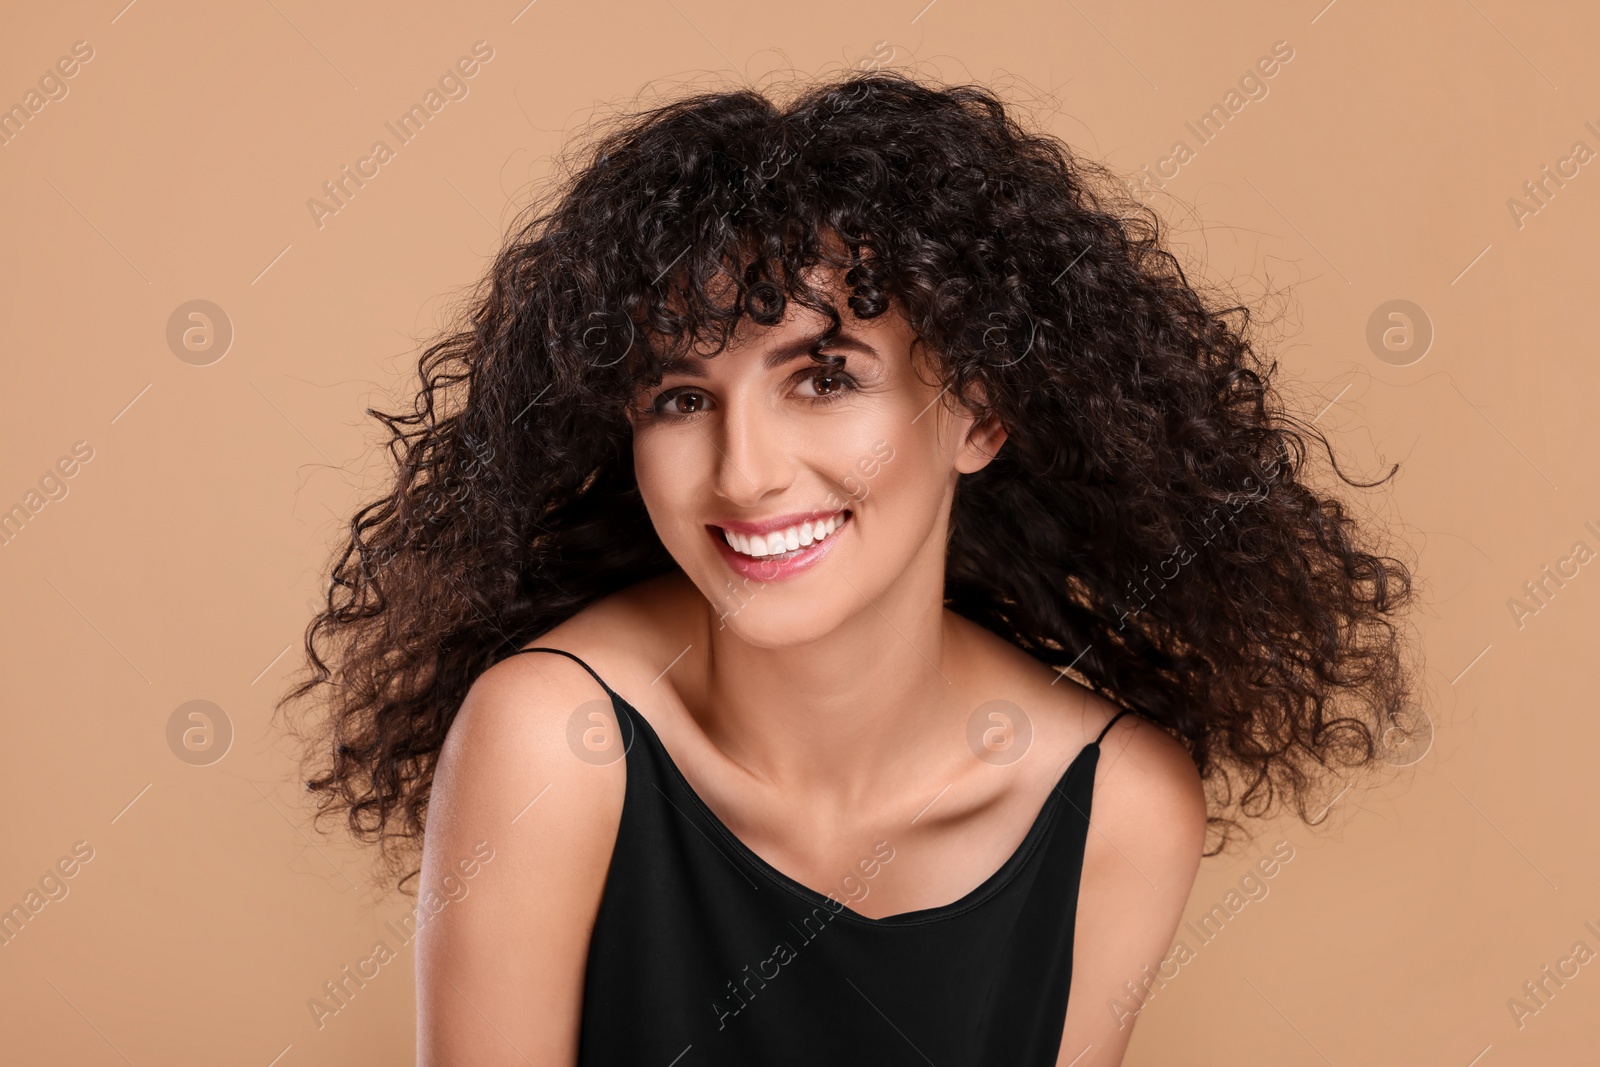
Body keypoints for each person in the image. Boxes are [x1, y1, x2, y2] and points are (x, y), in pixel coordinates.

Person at [279, 69, 1417, 1066]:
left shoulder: (1120, 805)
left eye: (822, 377)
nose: (746, 472)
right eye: (682, 397)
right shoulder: (548, 739)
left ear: (978, 413)